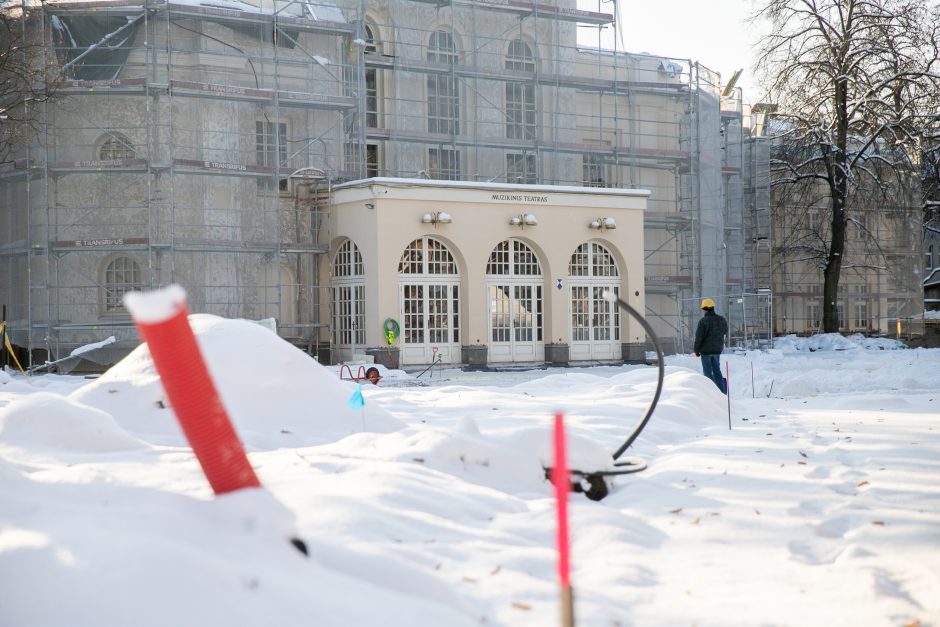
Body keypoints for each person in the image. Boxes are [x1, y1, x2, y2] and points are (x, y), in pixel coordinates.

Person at [693, 297, 728, 394]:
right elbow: (725, 331)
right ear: (713, 307)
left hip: (705, 352)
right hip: (717, 351)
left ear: (704, 309)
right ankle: (722, 393)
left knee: (708, 373)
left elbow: (699, 337)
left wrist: (696, 350)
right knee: (717, 372)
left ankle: (711, 394)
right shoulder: (722, 320)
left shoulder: (703, 321)